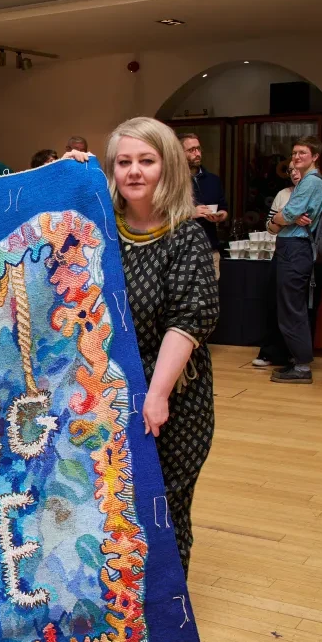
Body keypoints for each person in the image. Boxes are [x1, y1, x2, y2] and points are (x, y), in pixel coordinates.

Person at [66, 118, 218, 574]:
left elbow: (189, 319)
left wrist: (156, 394)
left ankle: (169, 617)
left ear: (167, 166)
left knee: (164, 505)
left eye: (146, 161)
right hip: (107, 397)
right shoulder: (99, 231)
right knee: (110, 505)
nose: (134, 171)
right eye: (123, 162)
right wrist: (67, 175)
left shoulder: (185, 236)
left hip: (172, 399)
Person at [268, 137, 322, 384]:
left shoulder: (311, 182)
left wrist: (282, 217)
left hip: (296, 248)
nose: (296, 157)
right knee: (289, 306)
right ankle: (296, 360)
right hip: (292, 247)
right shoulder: (306, 182)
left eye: (302, 152)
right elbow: (283, 218)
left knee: (293, 308)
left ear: (315, 157)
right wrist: (283, 218)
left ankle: (302, 367)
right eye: (294, 153)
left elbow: (287, 214)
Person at [253, 165, 301, 369]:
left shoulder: (316, 190)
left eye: (298, 169)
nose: (294, 173)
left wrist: (284, 219)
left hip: (305, 254)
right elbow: (270, 227)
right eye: (291, 170)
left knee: (298, 308)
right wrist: (284, 219)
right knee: (273, 303)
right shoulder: (283, 194)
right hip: (280, 251)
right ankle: (270, 352)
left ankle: (295, 355)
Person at [180, 132, 228, 277]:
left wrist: (220, 216)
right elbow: (160, 214)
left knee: (212, 298)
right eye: (191, 150)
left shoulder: (213, 180)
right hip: (183, 252)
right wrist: (190, 213)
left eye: (198, 149)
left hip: (211, 250)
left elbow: (224, 208)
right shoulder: (173, 182)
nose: (197, 153)